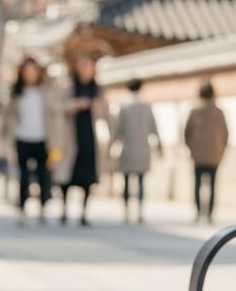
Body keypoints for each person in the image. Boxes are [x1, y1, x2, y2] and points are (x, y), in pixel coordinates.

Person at [3, 57, 61, 227]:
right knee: (24, 176)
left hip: (43, 139)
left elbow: (55, 111)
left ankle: (43, 207)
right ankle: (22, 209)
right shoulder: (16, 92)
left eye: (33, 70)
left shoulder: (46, 91)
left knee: (44, 174)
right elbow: (8, 116)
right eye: (27, 71)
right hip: (22, 138)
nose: (30, 74)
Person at [54, 55, 109, 227]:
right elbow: (58, 107)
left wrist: (95, 106)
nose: (85, 69)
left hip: (89, 137)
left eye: (89, 66)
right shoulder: (69, 87)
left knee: (87, 177)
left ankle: (83, 213)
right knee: (68, 176)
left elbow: (105, 113)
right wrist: (75, 105)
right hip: (71, 136)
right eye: (83, 65)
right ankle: (63, 209)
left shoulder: (98, 90)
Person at [111, 78, 161, 224]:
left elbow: (117, 128)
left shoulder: (123, 105)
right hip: (143, 147)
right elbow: (154, 126)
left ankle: (126, 211)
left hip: (127, 146)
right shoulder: (146, 106)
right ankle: (140, 211)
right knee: (140, 181)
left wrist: (112, 144)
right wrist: (159, 144)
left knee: (126, 181)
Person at [182, 81, 227, 224]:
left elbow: (186, 133)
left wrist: (191, 148)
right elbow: (225, 134)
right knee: (212, 184)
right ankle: (210, 214)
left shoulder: (195, 111)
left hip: (198, 155)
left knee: (197, 184)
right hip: (214, 155)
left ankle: (198, 212)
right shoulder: (219, 112)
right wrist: (221, 150)